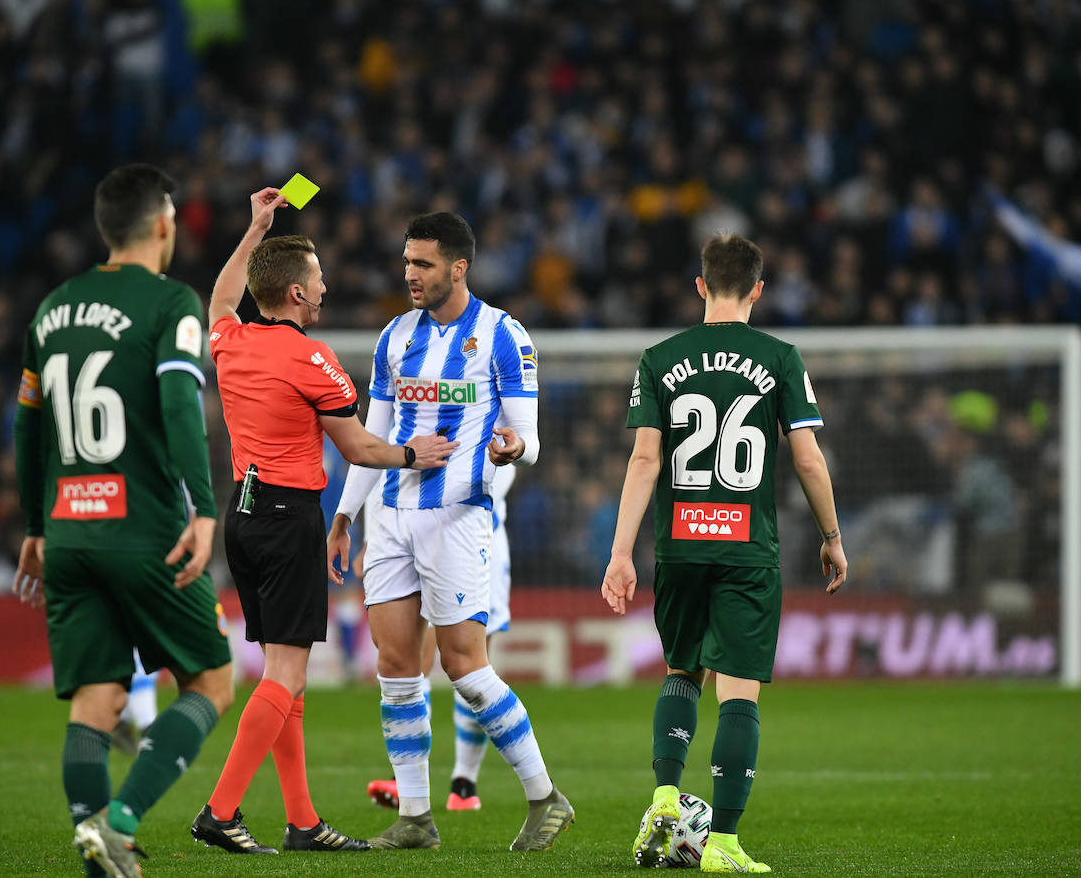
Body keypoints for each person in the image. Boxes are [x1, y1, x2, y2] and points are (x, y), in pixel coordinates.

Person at [191, 188, 456, 856]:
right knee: (285, 676)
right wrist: (410, 453)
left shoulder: (231, 338)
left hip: (243, 517)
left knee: (289, 673)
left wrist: (254, 230)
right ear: (296, 297)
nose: (325, 286)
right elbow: (360, 448)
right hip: (287, 519)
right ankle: (221, 812)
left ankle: (303, 821)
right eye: (316, 280)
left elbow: (220, 299)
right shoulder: (315, 362)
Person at [12, 163, 234, 878]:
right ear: (165, 224)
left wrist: (35, 526)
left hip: (68, 531)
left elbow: (26, 428)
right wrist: (204, 509)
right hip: (145, 528)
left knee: (97, 699)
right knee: (210, 681)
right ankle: (123, 821)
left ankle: (92, 846)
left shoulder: (51, 309)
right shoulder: (173, 303)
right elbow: (179, 407)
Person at [601, 233, 848, 873]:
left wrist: (621, 552)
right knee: (739, 695)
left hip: (679, 545)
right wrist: (832, 536)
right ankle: (726, 845)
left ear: (701, 286)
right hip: (745, 549)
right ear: (759, 290)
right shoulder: (781, 357)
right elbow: (807, 459)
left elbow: (645, 459)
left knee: (682, 671)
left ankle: (663, 797)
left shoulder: (659, 357)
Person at [328, 212, 573, 852]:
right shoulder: (394, 337)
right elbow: (368, 439)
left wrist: (514, 447)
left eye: (423, 264)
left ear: (458, 268)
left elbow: (532, 438)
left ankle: (546, 797)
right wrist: (346, 516)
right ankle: (415, 816)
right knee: (394, 665)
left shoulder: (504, 336)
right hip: (388, 515)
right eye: (407, 262)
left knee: (466, 667)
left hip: (458, 517)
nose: (410, 274)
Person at [364, 461, 518, 811]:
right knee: (414, 650)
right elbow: (382, 462)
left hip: (477, 535)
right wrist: (372, 538)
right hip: (415, 532)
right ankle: (411, 780)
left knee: (474, 662)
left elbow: (513, 455)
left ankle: (464, 782)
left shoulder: (492, 406)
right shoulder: (413, 409)